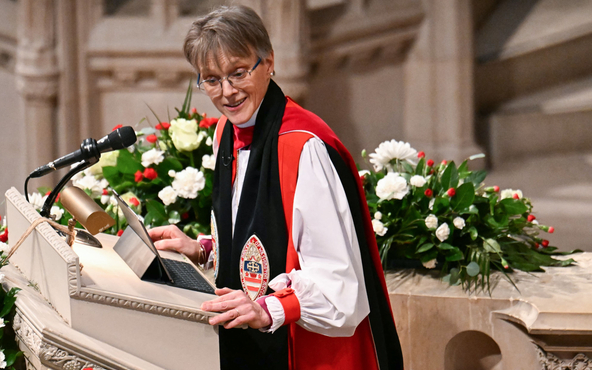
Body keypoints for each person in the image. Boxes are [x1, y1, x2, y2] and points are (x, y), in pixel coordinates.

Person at [148, 5, 403, 370]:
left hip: (309, 351)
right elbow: (259, 242)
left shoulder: (303, 148)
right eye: (212, 79)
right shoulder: (226, 132)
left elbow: (339, 286)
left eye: (238, 73)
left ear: (268, 62)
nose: (228, 92)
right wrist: (204, 249)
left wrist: (269, 309)